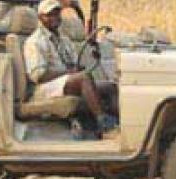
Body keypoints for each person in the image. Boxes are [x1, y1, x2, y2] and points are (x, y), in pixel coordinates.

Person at [24, 0, 118, 137]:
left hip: (64, 82)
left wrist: (78, 68)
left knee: (110, 87)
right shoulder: (34, 42)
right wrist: (70, 72)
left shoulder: (64, 39)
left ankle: (120, 124)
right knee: (83, 78)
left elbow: (74, 63)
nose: (54, 18)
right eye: (49, 15)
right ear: (40, 18)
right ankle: (104, 124)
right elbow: (39, 75)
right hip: (43, 87)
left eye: (56, 14)